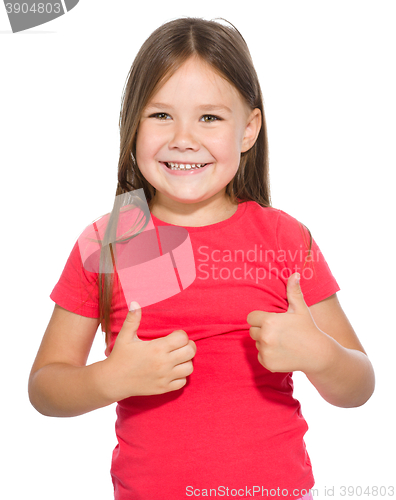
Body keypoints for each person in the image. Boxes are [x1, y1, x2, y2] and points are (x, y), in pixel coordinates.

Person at [28, 17, 375, 500]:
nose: (183, 138)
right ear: (132, 124)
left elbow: (358, 386)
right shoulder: (111, 239)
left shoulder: (284, 238)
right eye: (160, 115)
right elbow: (45, 387)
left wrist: (319, 354)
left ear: (249, 129)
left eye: (209, 117)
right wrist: (106, 380)